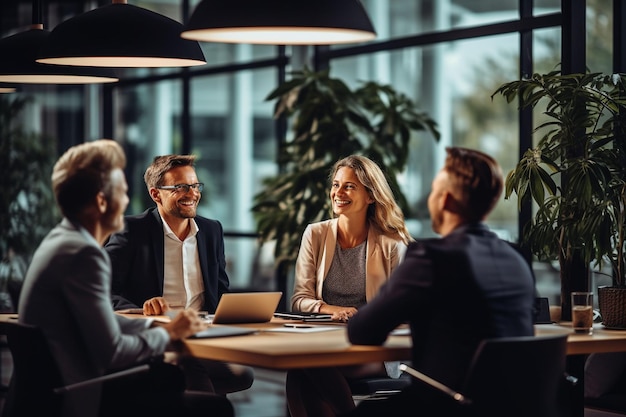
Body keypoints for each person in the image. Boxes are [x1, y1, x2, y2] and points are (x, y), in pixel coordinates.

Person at [17, 139, 233, 417]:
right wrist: (167, 332)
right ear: (101, 200)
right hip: (83, 394)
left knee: (178, 380)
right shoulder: (84, 255)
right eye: (123, 192)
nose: (128, 201)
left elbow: (100, 321)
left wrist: (153, 328)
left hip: (60, 386)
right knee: (213, 407)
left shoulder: (62, 241)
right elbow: (113, 352)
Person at [340, 147, 536, 416]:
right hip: (513, 406)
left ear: (445, 200)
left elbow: (362, 331)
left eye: (433, 190)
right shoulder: (516, 259)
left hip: (445, 405)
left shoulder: (432, 257)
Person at [104, 154, 254, 395]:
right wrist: (142, 307)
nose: (192, 193)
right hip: (162, 337)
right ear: (156, 194)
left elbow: (221, 292)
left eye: (195, 185)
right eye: (180, 187)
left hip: (203, 336)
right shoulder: (132, 231)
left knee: (242, 374)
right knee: (193, 373)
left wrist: (239, 313)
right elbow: (103, 291)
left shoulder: (211, 230)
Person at [287, 155, 413, 417]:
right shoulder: (316, 234)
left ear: (370, 196)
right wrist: (331, 309)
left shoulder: (392, 243)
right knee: (301, 369)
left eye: (349, 186)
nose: (338, 193)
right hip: (325, 342)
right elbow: (299, 299)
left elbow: (403, 310)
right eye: (335, 185)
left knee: (306, 367)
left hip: (372, 347)